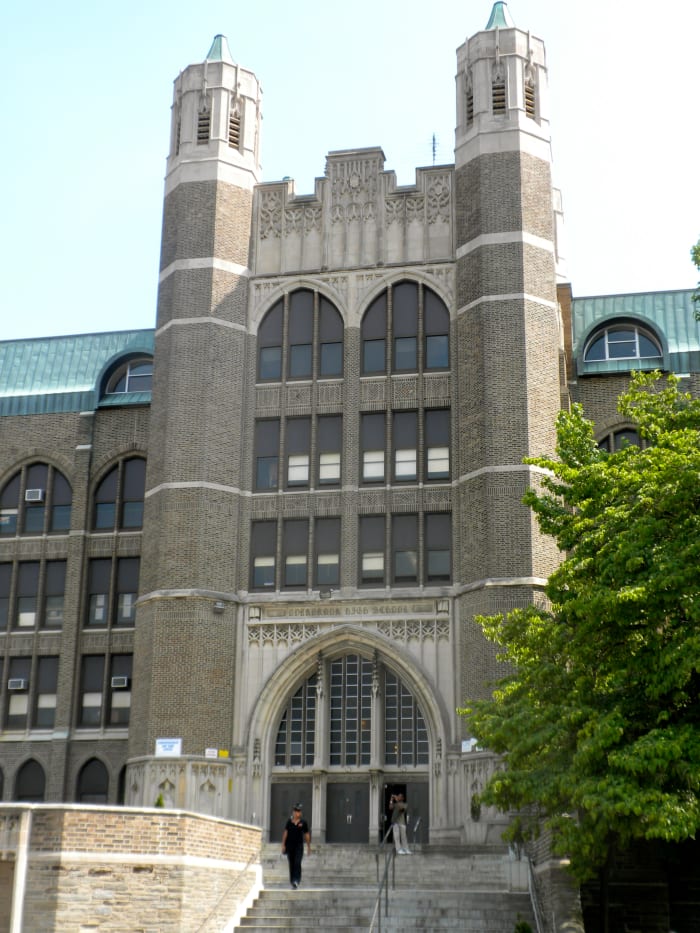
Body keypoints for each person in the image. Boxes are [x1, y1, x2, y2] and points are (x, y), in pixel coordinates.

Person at [281, 802, 311, 889]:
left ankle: (296, 880)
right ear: (293, 812)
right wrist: (283, 845)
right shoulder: (289, 822)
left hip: (299, 847)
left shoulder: (303, 823)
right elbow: (285, 833)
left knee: (297, 862)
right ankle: (292, 881)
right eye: (296, 811)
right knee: (291, 863)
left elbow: (306, 834)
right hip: (290, 846)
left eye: (299, 811)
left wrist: (308, 847)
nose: (297, 813)